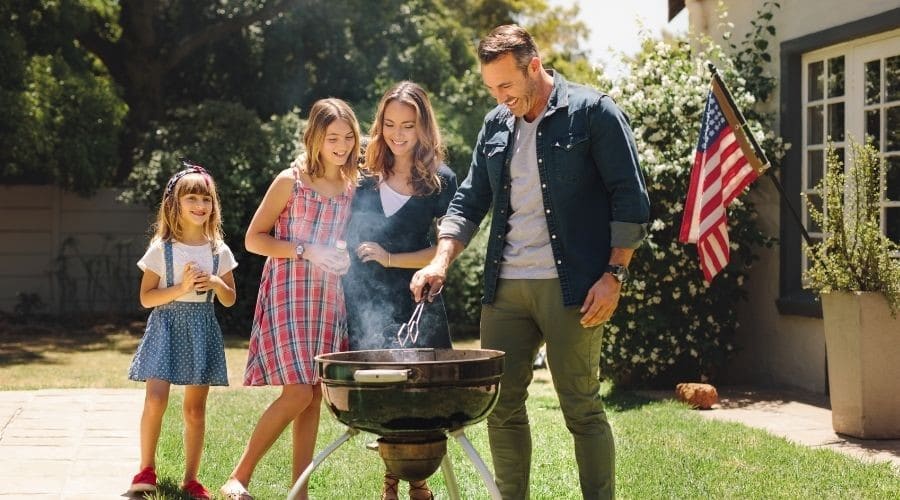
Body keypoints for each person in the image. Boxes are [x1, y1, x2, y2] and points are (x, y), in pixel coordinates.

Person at [411, 25, 650, 500]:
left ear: (534, 67)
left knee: (581, 407)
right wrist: (440, 260)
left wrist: (614, 274)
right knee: (501, 408)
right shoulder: (496, 124)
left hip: (575, 287)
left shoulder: (592, 113)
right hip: (505, 289)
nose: (500, 97)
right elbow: (469, 199)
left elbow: (631, 197)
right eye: (491, 88)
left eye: (507, 86)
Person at [220, 98, 360, 500]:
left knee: (313, 394)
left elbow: (337, 241)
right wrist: (306, 250)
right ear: (314, 137)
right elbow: (253, 239)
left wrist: (340, 257)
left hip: (326, 297)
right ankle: (239, 476)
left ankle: (299, 491)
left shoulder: (350, 187)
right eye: (333, 137)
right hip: (288, 290)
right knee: (299, 391)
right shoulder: (291, 181)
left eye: (348, 137)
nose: (342, 145)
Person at [342, 81, 457, 500]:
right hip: (365, 299)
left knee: (420, 391)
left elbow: (445, 248)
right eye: (389, 124)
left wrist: (391, 258)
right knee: (382, 393)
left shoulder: (441, 180)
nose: (397, 133)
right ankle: (391, 480)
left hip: (418, 300)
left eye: (407, 125)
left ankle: (419, 479)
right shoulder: (363, 176)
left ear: (424, 126)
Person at [127, 162, 238, 500]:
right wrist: (180, 288)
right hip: (166, 326)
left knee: (194, 409)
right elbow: (146, 297)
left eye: (206, 199)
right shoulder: (163, 249)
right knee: (156, 398)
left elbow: (230, 299)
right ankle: (146, 468)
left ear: (213, 205)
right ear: (175, 204)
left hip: (201, 328)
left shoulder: (219, 250)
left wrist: (216, 282)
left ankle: (192, 478)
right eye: (191, 198)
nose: (199, 206)